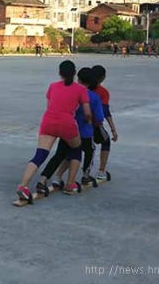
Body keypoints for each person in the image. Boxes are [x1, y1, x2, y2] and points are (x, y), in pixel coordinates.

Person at [16, 60, 91, 202]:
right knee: (76, 149)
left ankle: (23, 186)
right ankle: (70, 184)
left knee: (40, 155)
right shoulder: (81, 89)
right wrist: (88, 120)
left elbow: (50, 105)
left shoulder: (53, 86)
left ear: (59, 73)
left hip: (48, 122)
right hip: (67, 123)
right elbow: (87, 112)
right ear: (74, 73)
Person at [38, 68, 105, 191]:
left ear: (78, 79)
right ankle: (84, 176)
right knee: (88, 152)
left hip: (67, 130)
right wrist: (92, 121)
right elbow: (99, 117)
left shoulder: (71, 90)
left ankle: (47, 178)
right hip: (84, 132)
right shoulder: (94, 97)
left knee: (60, 155)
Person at [92, 65, 118, 180]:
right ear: (103, 78)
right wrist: (113, 129)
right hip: (95, 125)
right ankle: (101, 171)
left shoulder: (82, 88)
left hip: (77, 123)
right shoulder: (103, 92)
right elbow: (105, 111)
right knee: (106, 141)